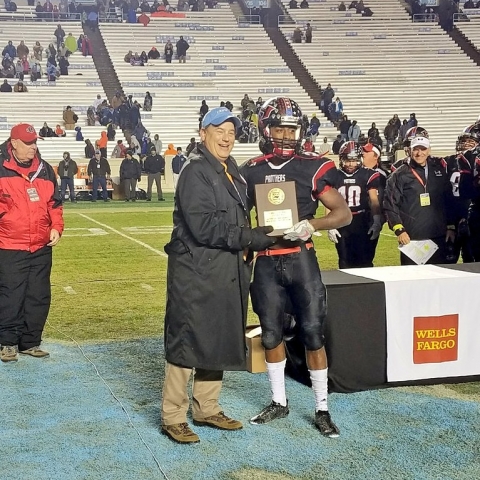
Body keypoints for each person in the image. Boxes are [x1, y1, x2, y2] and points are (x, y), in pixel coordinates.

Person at [161, 106, 275, 444]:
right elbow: (204, 226)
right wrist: (250, 238)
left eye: (231, 132)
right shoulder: (196, 171)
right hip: (196, 270)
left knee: (218, 334)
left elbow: (238, 215)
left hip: (226, 268)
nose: (226, 138)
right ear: (203, 133)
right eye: (219, 131)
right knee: (187, 339)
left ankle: (207, 408)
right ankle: (173, 416)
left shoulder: (230, 168)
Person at [240, 97, 352, 437]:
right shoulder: (251, 169)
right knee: (270, 333)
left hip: (301, 257)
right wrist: (247, 246)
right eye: (280, 129)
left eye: (291, 129)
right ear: (267, 130)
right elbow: (240, 217)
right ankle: (279, 401)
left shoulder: (311, 166)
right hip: (267, 260)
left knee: (313, 333)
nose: (287, 136)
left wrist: (312, 225)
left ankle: (322, 408)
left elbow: (343, 213)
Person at [0, 123, 64, 362]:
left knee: (38, 294)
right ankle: (7, 343)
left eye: (35, 142)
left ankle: (30, 342)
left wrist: (56, 227)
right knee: (11, 294)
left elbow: (55, 203)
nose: (33, 147)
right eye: (28, 143)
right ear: (14, 143)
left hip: (40, 245)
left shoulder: (45, 169)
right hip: (9, 244)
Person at [384, 136, 455, 265]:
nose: (419, 153)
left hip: (438, 235)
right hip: (411, 238)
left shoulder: (438, 170)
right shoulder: (399, 174)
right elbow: (390, 204)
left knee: (437, 274)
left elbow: (448, 200)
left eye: (423, 149)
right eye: (416, 149)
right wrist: (399, 230)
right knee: (413, 276)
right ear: (410, 150)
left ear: (429, 150)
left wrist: (450, 227)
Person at [327, 142, 382, 268]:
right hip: (342, 220)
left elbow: (374, 200)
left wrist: (376, 220)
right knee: (344, 260)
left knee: (365, 261)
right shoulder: (334, 175)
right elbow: (329, 202)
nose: (351, 164)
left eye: (354, 160)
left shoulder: (368, 174)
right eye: (348, 160)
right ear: (341, 159)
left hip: (361, 220)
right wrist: (330, 225)